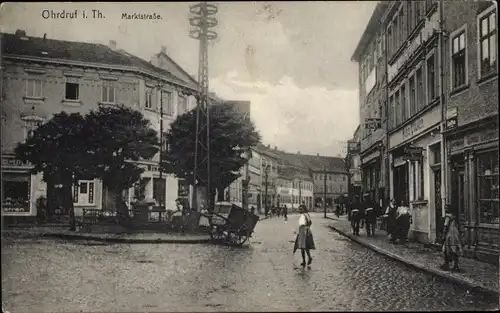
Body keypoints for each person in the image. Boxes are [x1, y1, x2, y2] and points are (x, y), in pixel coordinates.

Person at [440, 205, 463, 272]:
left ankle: (446, 264)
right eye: (445, 208)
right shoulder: (454, 217)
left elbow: (445, 226)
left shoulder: (447, 217)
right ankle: (455, 265)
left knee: (446, 249)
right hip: (455, 233)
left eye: (446, 208)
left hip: (450, 234)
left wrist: (443, 235)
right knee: (455, 248)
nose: (445, 209)